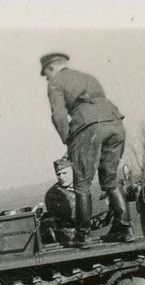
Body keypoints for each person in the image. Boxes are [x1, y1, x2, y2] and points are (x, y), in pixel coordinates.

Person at [41, 52, 133, 245]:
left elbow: (58, 114)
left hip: (88, 128)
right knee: (109, 179)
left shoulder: (56, 81)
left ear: (51, 68)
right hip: (115, 123)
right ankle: (125, 228)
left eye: (46, 74)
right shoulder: (88, 77)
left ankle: (82, 235)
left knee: (82, 182)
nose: (47, 78)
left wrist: (69, 140)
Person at [42, 157, 110, 244]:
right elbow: (73, 214)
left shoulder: (77, 187)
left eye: (64, 173)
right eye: (58, 174)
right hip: (71, 234)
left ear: (73, 172)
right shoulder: (54, 193)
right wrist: (104, 205)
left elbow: (92, 199)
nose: (61, 177)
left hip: (86, 229)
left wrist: (105, 196)